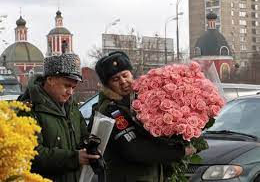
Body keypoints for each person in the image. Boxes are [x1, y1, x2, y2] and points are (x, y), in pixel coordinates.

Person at [95, 51, 196, 182]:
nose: (123, 81)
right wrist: (179, 152)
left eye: (125, 75)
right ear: (107, 85)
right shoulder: (110, 110)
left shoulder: (142, 101)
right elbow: (134, 150)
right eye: (115, 79)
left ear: (132, 74)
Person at [18, 54, 100, 182]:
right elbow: (32, 154)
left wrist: (91, 144)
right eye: (67, 86)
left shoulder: (71, 107)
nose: (70, 92)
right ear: (50, 79)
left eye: (73, 87)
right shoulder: (28, 110)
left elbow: (83, 135)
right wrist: (75, 158)